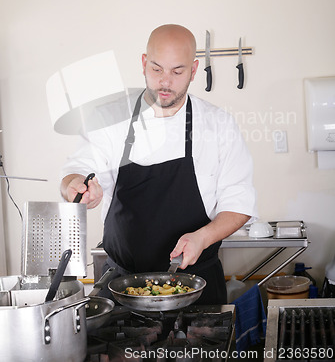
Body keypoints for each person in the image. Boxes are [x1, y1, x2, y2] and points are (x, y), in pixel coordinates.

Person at [60, 24, 257, 304]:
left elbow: (239, 202)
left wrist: (203, 237)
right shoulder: (110, 118)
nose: (166, 82)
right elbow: (75, 171)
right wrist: (76, 187)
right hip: (122, 288)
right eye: (156, 69)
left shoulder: (219, 125)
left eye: (177, 71)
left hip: (196, 287)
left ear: (193, 69)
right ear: (143, 63)